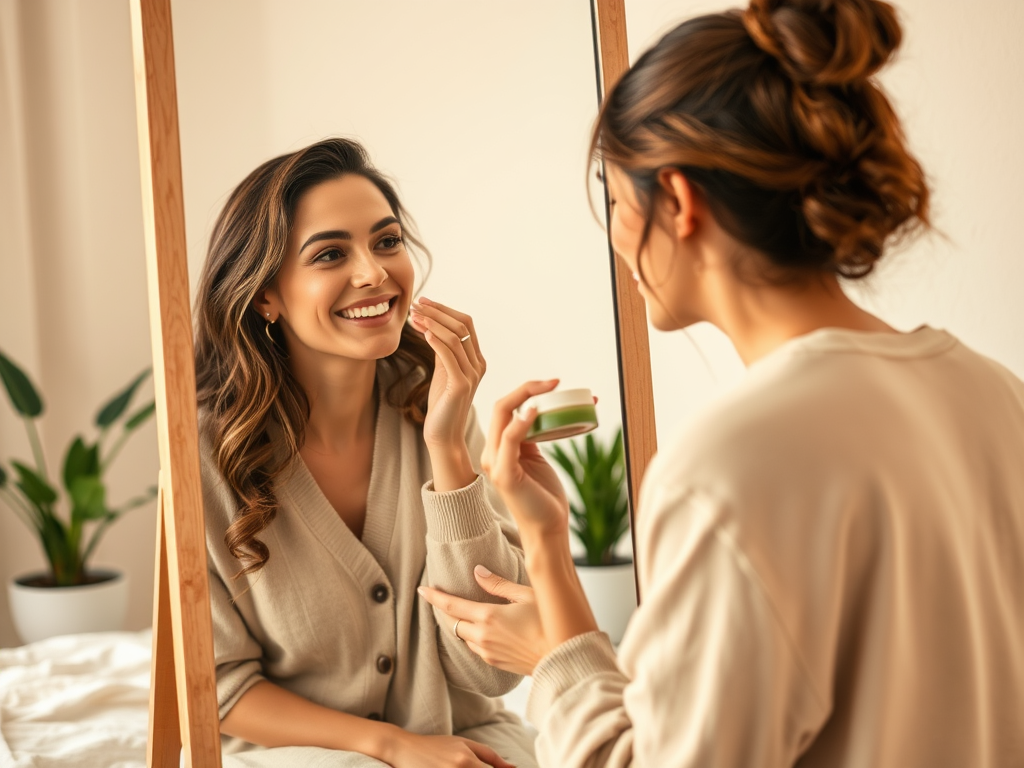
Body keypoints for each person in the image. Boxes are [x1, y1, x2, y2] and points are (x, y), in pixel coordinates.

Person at [420, 1, 1024, 766]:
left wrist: (557, 658)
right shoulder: (994, 394)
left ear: (676, 200)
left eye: (615, 201)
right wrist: (543, 540)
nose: (614, 236)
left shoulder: (733, 463)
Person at [192, 138, 538, 768]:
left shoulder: (436, 412)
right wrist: (392, 746)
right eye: (330, 253)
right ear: (265, 294)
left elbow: (491, 674)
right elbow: (218, 690)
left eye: (386, 241)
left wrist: (447, 451)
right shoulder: (208, 456)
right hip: (296, 756)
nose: (375, 273)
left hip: (468, 746)